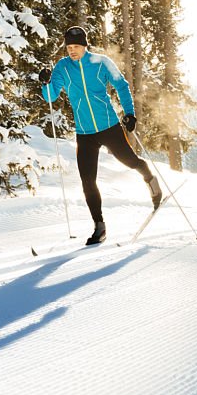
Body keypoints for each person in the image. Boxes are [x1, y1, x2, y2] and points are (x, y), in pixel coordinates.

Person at [39, 26, 162, 245]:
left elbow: (121, 86)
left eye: (76, 46)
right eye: (69, 47)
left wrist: (130, 114)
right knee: (88, 181)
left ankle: (149, 177)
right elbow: (51, 96)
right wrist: (45, 83)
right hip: (84, 133)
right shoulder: (63, 67)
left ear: (85, 46)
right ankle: (99, 226)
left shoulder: (101, 62)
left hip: (108, 126)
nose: (72, 51)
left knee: (130, 161)